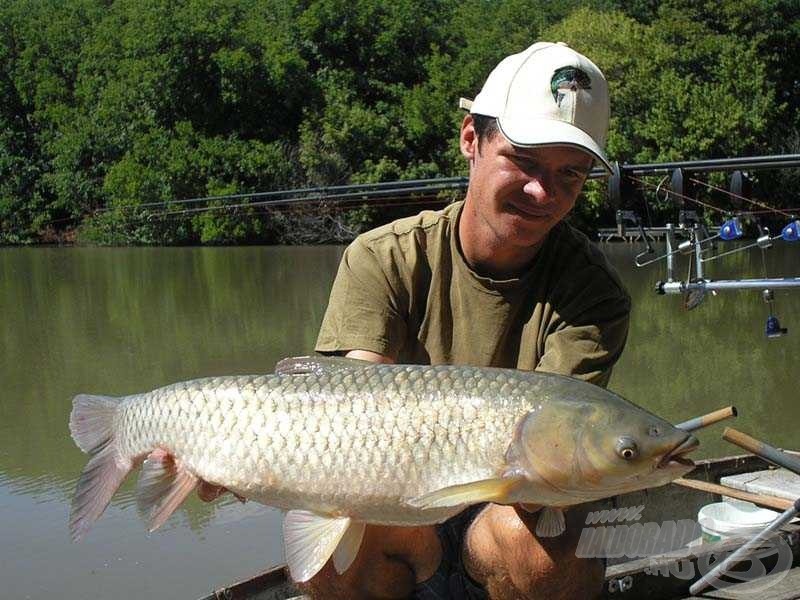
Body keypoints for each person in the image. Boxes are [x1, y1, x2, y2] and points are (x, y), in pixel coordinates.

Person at [201, 41, 630, 599]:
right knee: (333, 557)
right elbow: (349, 420)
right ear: (470, 140)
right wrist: (248, 459)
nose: (541, 191)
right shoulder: (384, 257)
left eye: (569, 175)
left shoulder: (594, 294)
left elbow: (557, 456)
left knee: (543, 554)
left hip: (512, 509)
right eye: (524, 161)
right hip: (395, 500)